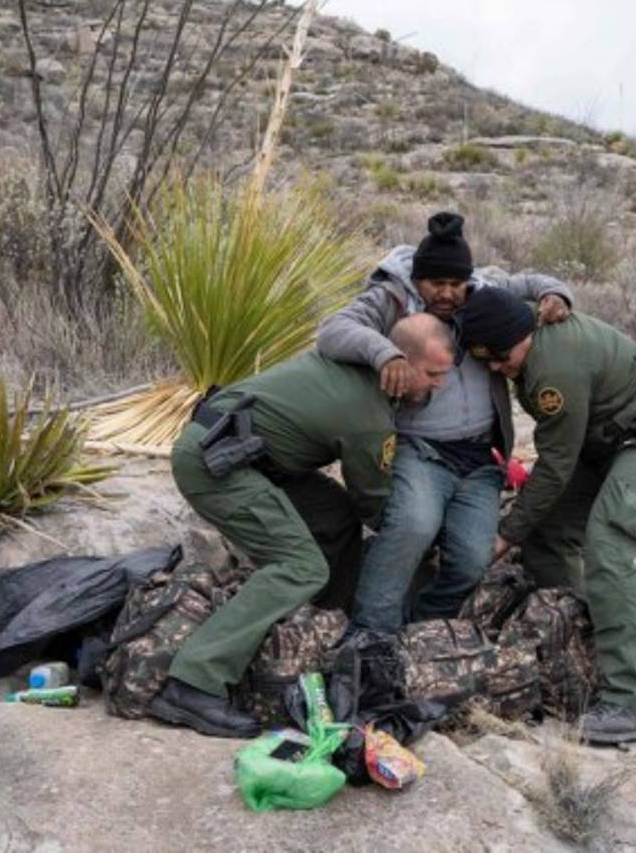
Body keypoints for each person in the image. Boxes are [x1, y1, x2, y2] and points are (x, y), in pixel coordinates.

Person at [150, 314, 456, 738]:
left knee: (336, 514)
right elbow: (372, 499)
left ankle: (320, 628)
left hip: (248, 456)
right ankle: (193, 681)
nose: (439, 385)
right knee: (300, 565)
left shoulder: (356, 370)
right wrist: (418, 538)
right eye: (432, 374)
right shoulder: (368, 416)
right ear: (400, 363)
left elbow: (354, 507)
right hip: (216, 465)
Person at [459, 286, 636, 744]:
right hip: (606, 445)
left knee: (607, 547)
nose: (495, 368)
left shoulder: (553, 369)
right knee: (547, 535)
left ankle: (628, 701)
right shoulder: (528, 331)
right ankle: (578, 648)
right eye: (485, 360)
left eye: (500, 357)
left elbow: (555, 467)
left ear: (519, 336)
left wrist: (504, 535)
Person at [316, 211, 573, 633]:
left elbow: (531, 282)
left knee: (473, 559)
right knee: (412, 528)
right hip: (419, 449)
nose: (449, 294)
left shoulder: (482, 290)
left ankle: (421, 631)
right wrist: (385, 353)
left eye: (457, 283)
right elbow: (332, 331)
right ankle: (370, 635)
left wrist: (555, 294)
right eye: (436, 283)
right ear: (418, 278)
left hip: (481, 460)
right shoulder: (392, 299)